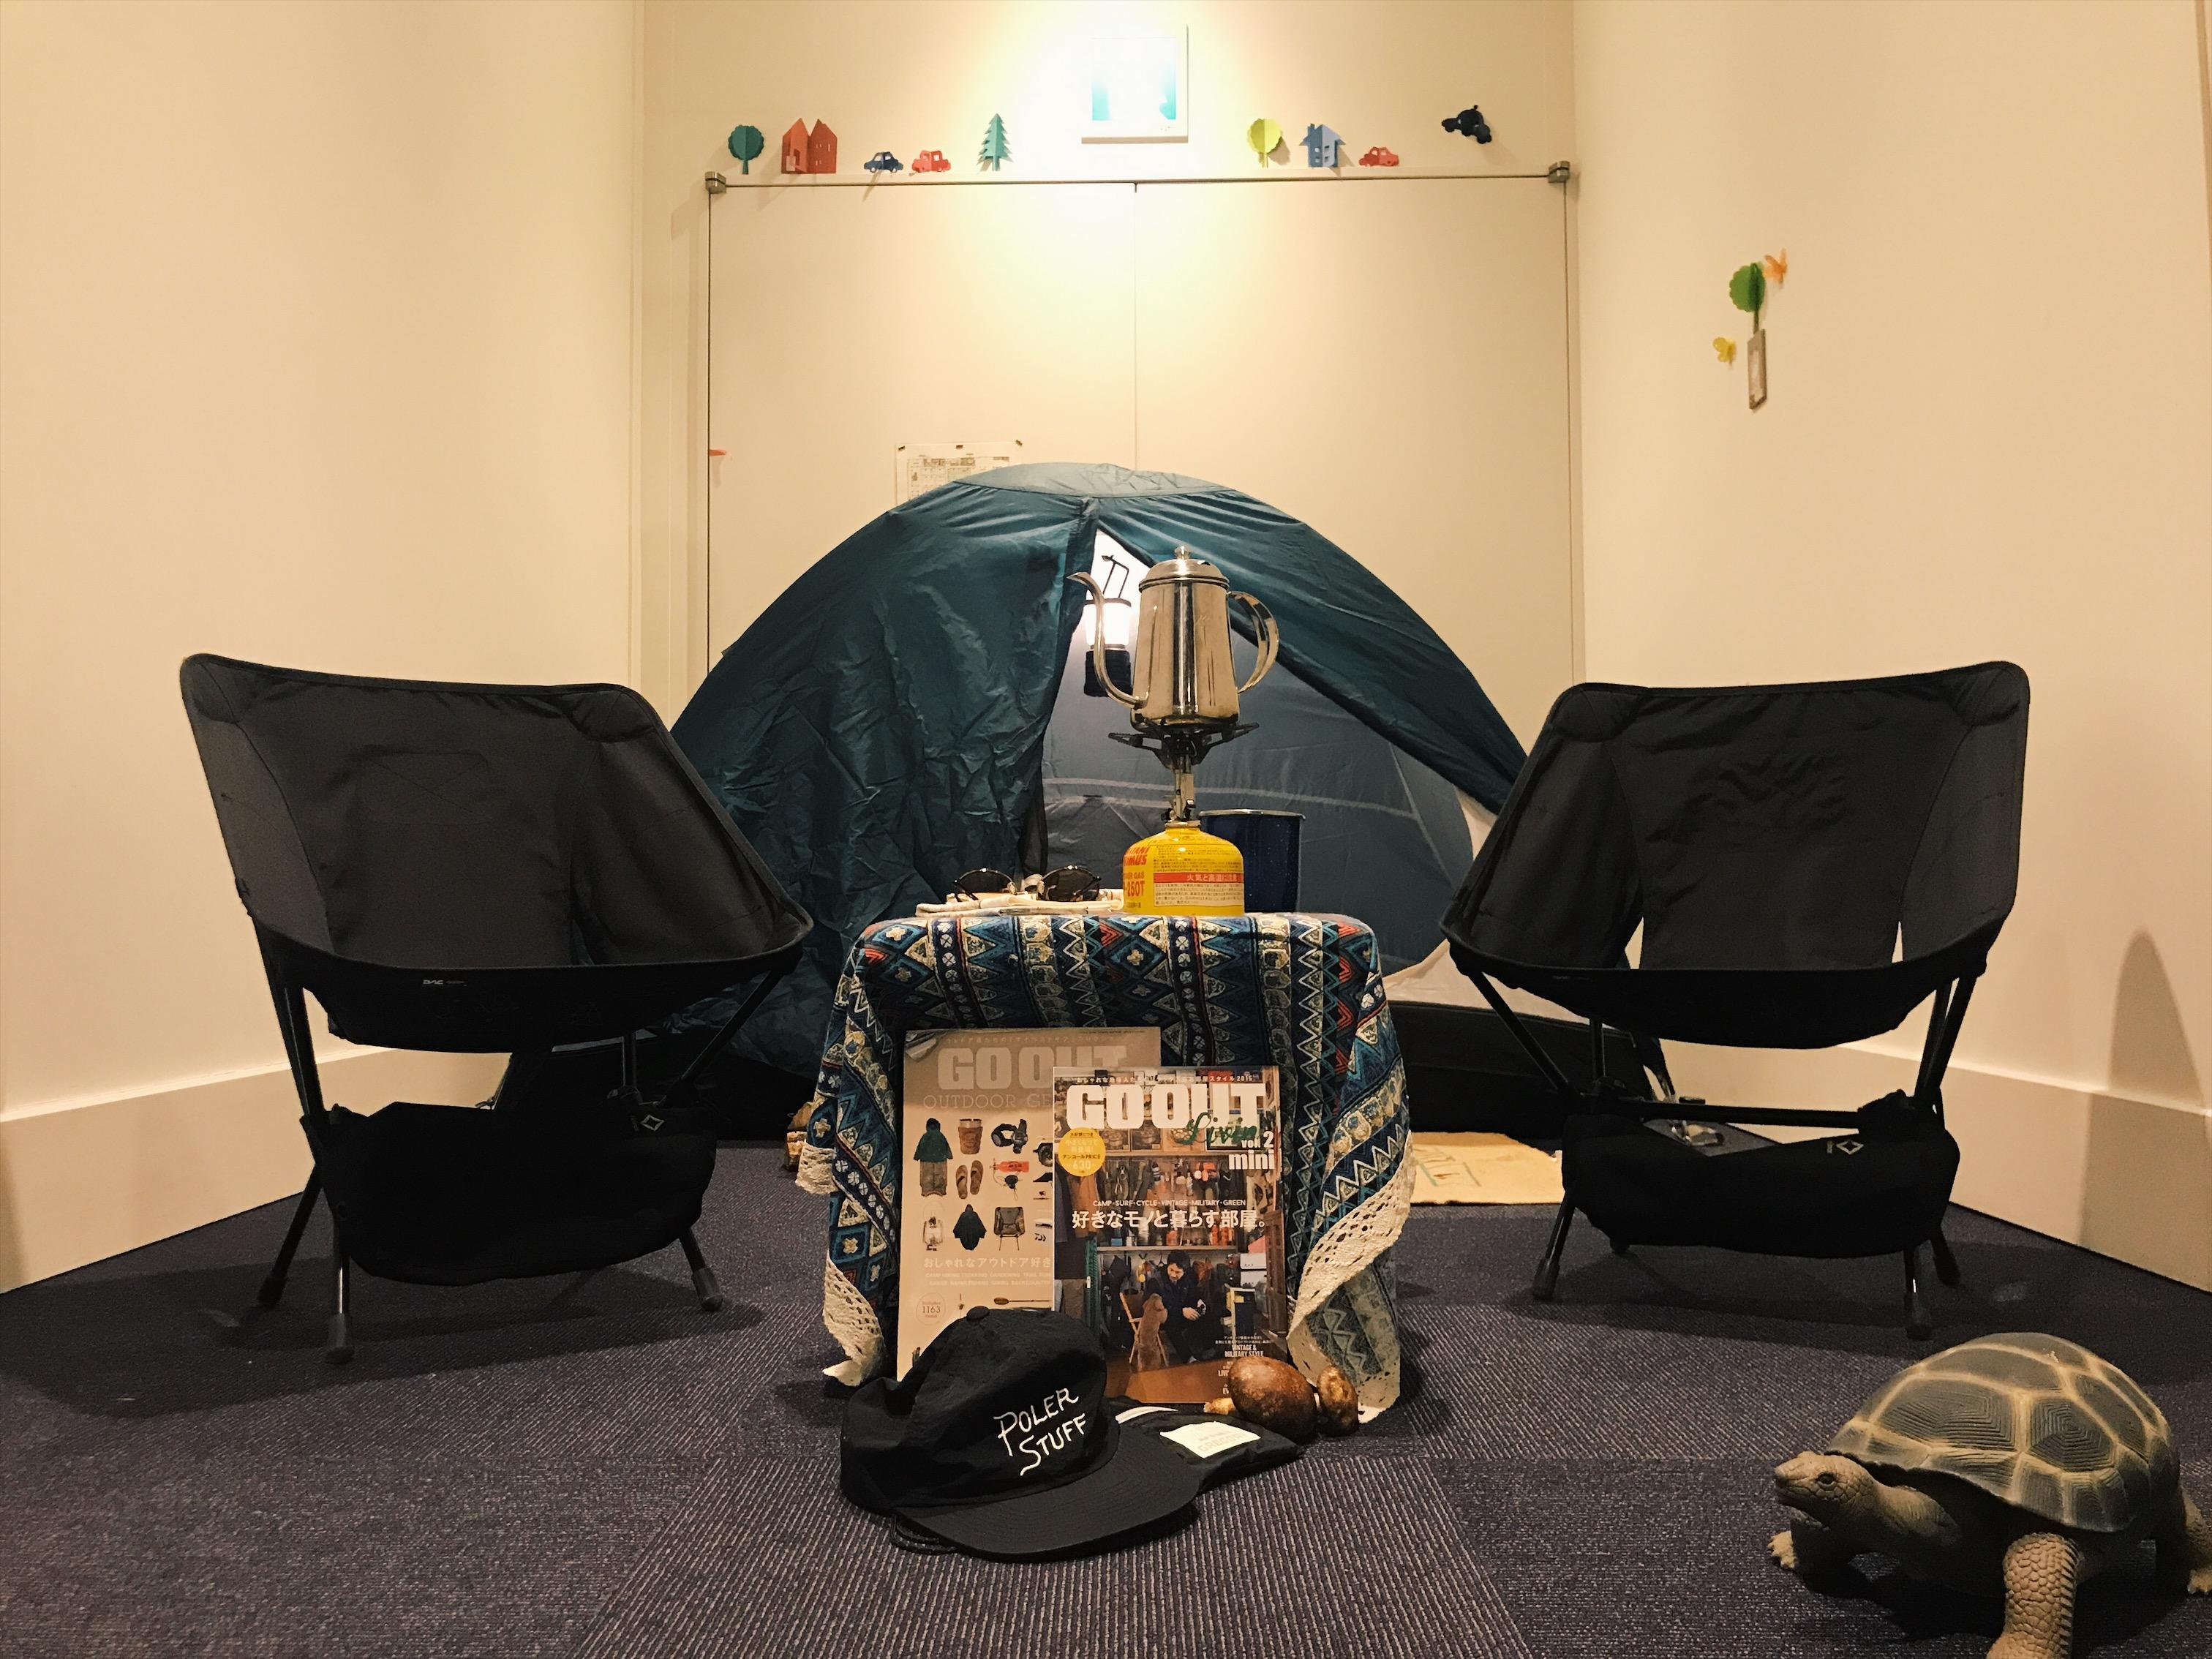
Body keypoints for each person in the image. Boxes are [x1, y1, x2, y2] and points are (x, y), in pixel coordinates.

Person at [1153, 1252, 1214, 1364]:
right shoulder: (1156, 1281)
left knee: (1206, 1315)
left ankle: (1207, 1352)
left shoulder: (1187, 1278)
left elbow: (1193, 1295)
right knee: (1172, 1325)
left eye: (1178, 1272)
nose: (1174, 1275)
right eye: (1171, 1270)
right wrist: (1181, 1312)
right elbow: (1156, 1309)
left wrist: (1199, 1302)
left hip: (1183, 1313)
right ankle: (1189, 1358)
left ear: (1184, 1271)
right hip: (1164, 1316)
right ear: (1167, 1266)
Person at [914, 1116, 952, 1197]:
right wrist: (949, 1156)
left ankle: (926, 1190)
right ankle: (940, 1190)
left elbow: (921, 1147)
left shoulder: (925, 1136)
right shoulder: (941, 1136)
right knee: (940, 1177)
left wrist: (917, 1157)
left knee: (927, 1177)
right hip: (940, 1161)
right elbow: (946, 1146)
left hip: (926, 1161)